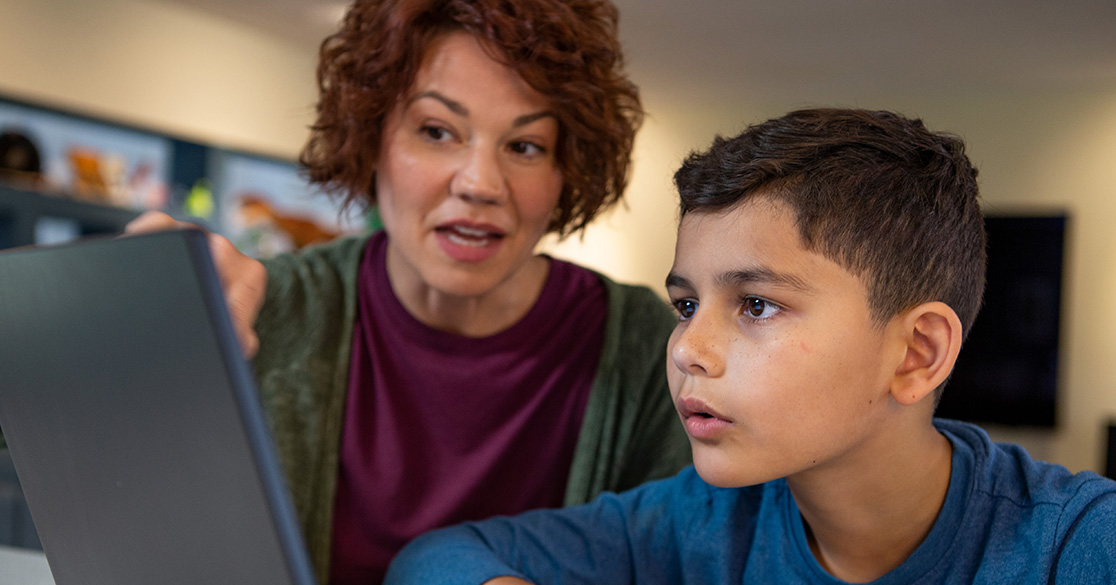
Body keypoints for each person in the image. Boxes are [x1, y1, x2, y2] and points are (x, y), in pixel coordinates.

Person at [382, 108, 1116, 584]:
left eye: (757, 304)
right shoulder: (696, 522)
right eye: (688, 304)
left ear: (917, 352)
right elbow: (432, 558)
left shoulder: (1073, 541)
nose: (686, 348)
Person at [126, 0, 690, 583]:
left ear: (564, 173)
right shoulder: (263, 310)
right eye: (437, 131)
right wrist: (92, 318)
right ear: (372, 141)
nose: (479, 184)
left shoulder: (645, 349)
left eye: (524, 146)